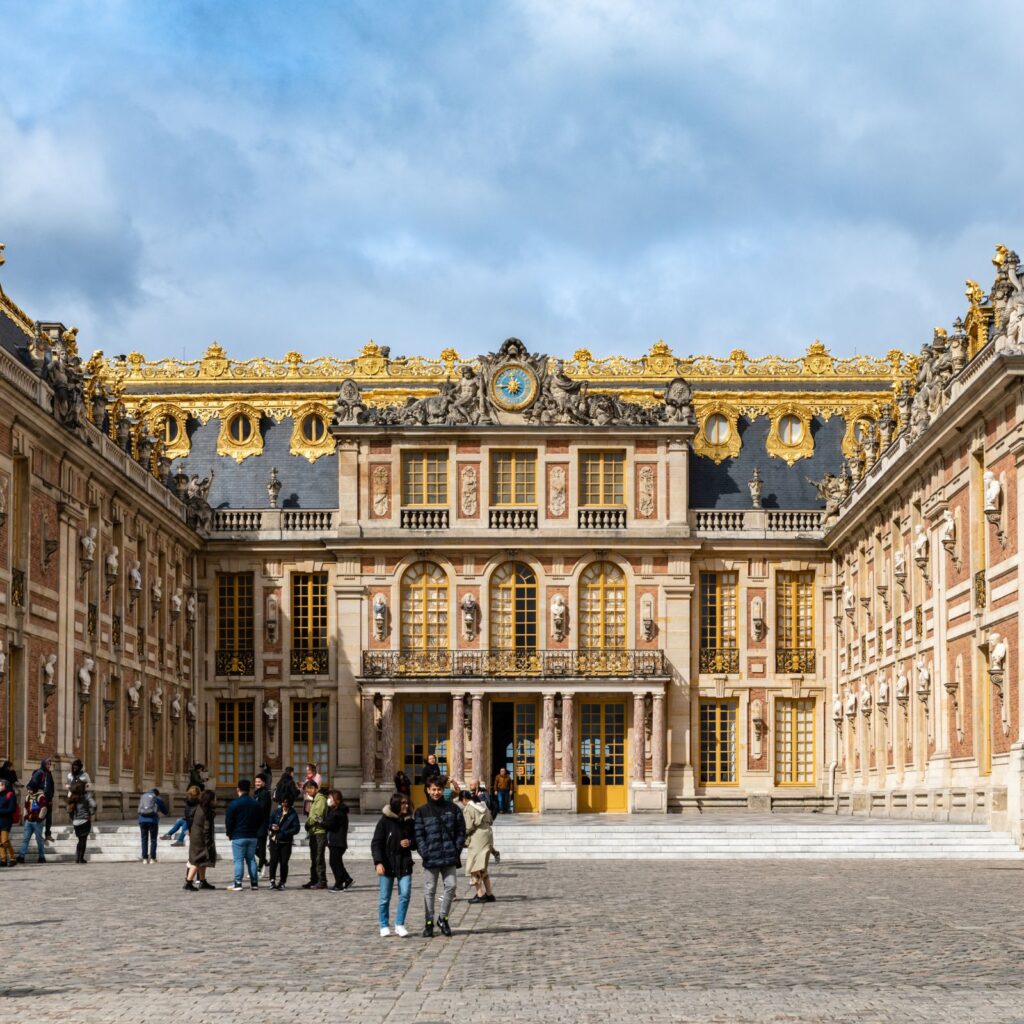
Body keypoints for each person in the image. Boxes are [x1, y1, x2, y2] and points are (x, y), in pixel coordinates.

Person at [414, 777, 466, 937]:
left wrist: (456, 849)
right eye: (433, 789)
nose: (436, 792)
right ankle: (429, 922)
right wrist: (425, 851)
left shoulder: (453, 809)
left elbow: (461, 831)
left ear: (443, 790)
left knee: (451, 886)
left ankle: (443, 918)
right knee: (430, 890)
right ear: (428, 790)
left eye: (439, 789)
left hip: (449, 856)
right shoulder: (422, 811)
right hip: (431, 857)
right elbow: (419, 835)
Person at [371, 792, 416, 937]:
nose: (406, 806)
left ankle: (399, 924)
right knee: (385, 897)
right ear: (396, 804)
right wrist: (378, 862)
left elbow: (417, 839)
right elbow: (376, 843)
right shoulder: (384, 821)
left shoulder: (409, 821)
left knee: (405, 893)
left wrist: (410, 842)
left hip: (404, 862)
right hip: (387, 862)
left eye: (407, 803)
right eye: (403, 803)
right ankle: (384, 924)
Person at [458, 790, 497, 904]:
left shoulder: (469, 808)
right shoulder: (483, 805)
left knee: (474, 866)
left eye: (462, 801)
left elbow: (469, 826)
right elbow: (490, 820)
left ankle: (480, 895)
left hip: (478, 838)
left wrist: (462, 835)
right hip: (488, 834)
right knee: (482, 866)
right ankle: (489, 894)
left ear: (464, 800)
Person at [224, 779, 262, 891]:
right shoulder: (256, 803)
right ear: (250, 789)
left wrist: (229, 833)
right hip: (252, 835)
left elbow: (229, 820)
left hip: (238, 835)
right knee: (251, 859)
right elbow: (260, 819)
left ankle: (238, 883)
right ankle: (254, 883)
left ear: (238, 789)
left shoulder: (234, 804)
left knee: (239, 860)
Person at [185, 789, 218, 891]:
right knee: (197, 860)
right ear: (210, 800)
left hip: (196, 836)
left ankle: (203, 881)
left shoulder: (199, 807)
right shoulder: (207, 811)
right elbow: (207, 829)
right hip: (201, 838)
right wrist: (209, 843)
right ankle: (189, 882)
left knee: (202, 860)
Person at [324, 789, 353, 892]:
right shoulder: (334, 811)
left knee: (334, 862)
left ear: (336, 800)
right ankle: (347, 879)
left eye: (330, 798)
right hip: (335, 841)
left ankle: (339, 883)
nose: (328, 800)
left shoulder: (338, 812)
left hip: (337, 842)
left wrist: (321, 822)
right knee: (337, 862)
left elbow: (331, 825)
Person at [301, 780, 329, 890]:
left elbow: (318, 815)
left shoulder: (320, 799)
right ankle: (314, 879)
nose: (308, 794)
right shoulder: (315, 799)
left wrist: (308, 823)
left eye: (308, 791)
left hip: (319, 832)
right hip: (313, 831)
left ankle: (322, 880)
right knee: (314, 857)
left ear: (313, 788)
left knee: (318, 857)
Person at [268, 797, 300, 890]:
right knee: (273, 861)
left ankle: (282, 882)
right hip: (274, 840)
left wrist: (283, 832)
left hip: (286, 842)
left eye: (286, 803)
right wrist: (272, 827)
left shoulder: (293, 814)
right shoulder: (276, 812)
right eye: (282, 802)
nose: (284, 805)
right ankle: (272, 880)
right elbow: (269, 823)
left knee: (284, 863)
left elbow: (296, 828)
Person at [16, 784, 48, 863]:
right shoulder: (28, 797)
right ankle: (21, 856)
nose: (28, 791)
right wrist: (25, 817)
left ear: (34, 789)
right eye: (28, 789)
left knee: (39, 840)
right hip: (29, 821)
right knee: (25, 839)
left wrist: (39, 818)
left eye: (30, 789)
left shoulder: (41, 797)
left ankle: (41, 857)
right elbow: (25, 808)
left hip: (37, 822)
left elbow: (44, 808)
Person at [68, 781, 97, 864]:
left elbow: (69, 810)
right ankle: (81, 858)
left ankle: (77, 857)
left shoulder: (72, 797)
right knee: (83, 840)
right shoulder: (87, 796)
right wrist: (91, 813)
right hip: (85, 820)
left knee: (80, 840)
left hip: (76, 822)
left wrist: (73, 818)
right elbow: (94, 805)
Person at [28, 759, 55, 843]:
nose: (49, 765)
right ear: (43, 764)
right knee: (39, 818)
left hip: (47, 799)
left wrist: (51, 798)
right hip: (39, 799)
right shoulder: (38, 772)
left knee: (49, 818)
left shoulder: (49, 773)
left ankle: (48, 835)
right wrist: (31, 790)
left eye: (50, 764)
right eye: (47, 764)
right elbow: (31, 784)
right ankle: (38, 836)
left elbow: (51, 786)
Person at [253, 775, 272, 876]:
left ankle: (260, 869)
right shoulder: (256, 793)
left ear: (264, 783)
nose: (257, 784)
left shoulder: (265, 794)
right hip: (255, 824)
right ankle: (265, 862)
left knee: (261, 847)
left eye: (259, 782)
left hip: (262, 824)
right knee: (254, 848)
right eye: (256, 782)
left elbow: (261, 808)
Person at [0, 776, 16, 867]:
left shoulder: (10, 795)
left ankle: (13, 858)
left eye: (0, 785)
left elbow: (11, 809)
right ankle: (3, 859)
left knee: (5, 840)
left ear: (4, 786)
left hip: (6, 821)